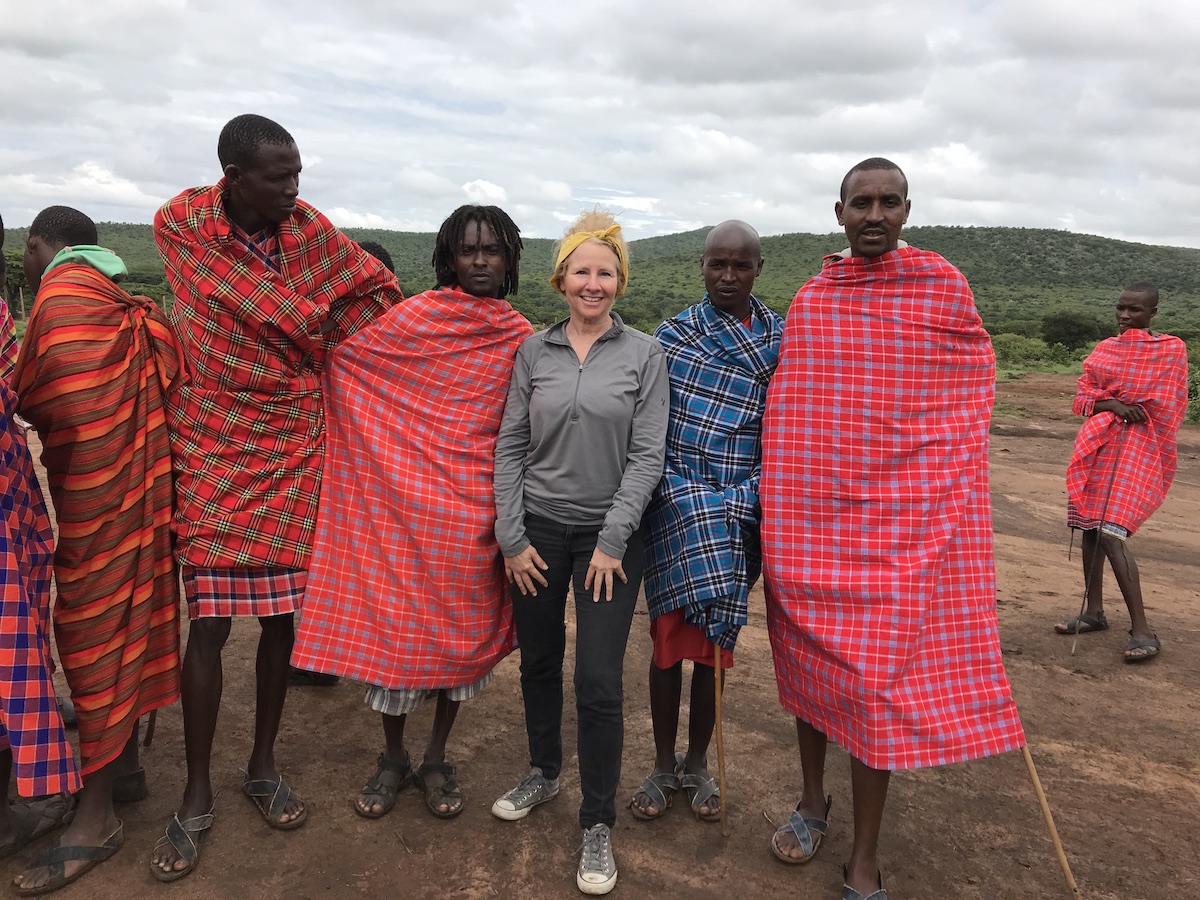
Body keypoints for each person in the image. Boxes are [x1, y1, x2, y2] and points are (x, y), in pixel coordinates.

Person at [761, 158, 1025, 900]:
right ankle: (813, 803)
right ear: (838, 212)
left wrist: (943, 482)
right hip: (811, 525)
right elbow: (795, 412)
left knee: (876, 689)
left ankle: (865, 856)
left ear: (908, 209)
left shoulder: (942, 289)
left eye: (888, 202)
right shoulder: (814, 300)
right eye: (860, 203)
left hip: (899, 532)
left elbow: (968, 389)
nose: (874, 214)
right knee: (811, 671)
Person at [150, 114, 402, 881]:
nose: (294, 188)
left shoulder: (310, 230)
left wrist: (318, 330)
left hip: (293, 436)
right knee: (211, 620)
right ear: (232, 174)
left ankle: (262, 764)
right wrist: (306, 321)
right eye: (277, 176)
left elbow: (374, 293)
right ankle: (195, 788)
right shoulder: (180, 225)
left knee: (284, 613)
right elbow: (307, 318)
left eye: (297, 173)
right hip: (214, 435)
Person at [292, 205, 533, 820]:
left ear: (510, 260)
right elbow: (350, 366)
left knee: (457, 642)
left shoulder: (520, 337)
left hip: (473, 517)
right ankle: (392, 757)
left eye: (493, 250)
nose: (481, 261)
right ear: (447, 257)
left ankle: (435, 756)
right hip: (400, 510)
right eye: (469, 250)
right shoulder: (411, 318)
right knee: (397, 636)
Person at [491, 210, 668, 896]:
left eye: (606, 271)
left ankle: (597, 822)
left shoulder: (645, 355)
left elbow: (648, 455)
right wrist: (512, 538)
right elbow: (510, 445)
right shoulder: (534, 352)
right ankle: (543, 770)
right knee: (538, 661)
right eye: (581, 271)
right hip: (536, 533)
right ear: (561, 278)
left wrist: (614, 539)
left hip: (610, 544)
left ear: (620, 280)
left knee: (597, 680)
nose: (593, 283)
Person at [10, 206, 182, 894]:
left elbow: (41, 399)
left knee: (90, 630)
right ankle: (130, 774)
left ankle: (97, 817)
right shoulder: (121, 301)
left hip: (96, 498)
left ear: (35, 248)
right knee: (129, 615)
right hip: (140, 492)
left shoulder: (58, 299)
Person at [630, 220, 783, 823]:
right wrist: (690, 497)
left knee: (714, 646)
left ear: (757, 269)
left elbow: (784, 435)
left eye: (740, 265)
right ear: (701, 266)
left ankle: (698, 763)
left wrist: (742, 497)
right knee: (667, 645)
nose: (727, 276)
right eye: (717, 264)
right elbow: (651, 428)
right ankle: (662, 764)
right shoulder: (673, 337)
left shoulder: (780, 342)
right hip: (674, 509)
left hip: (744, 511)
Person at [0, 210, 80, 870]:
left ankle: (35, 791)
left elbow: (27, 397)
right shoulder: (13, 319)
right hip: (17, 501)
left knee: (15, 642)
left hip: (9, 506)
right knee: (19, 639)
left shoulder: (27, 316)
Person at [1054, 283, 1188, 662]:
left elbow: (1170, 403)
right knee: (1090, 530)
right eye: (1121, 308)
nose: (1126, 316)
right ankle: (1094, 613)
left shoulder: (1170, 349)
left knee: (1112, 533)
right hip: (1099, 446)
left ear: (1152, 314)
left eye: (1135, 310)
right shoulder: (1105, 350)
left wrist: (1126, 407)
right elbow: (1083, 398)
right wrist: (1112, 402)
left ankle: (1142, 630)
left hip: (1140, 447)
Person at [287, 238, 395, 691]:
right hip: (372, 459)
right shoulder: (396, 330)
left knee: (334, 552)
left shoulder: (328, 329)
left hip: (356, 458)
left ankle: (324, 658)